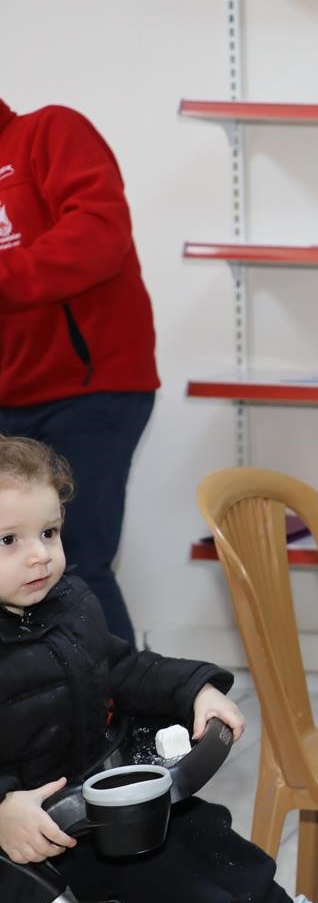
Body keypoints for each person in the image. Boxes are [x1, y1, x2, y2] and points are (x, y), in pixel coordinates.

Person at [0, 435, 318, 903]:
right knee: (169, 881)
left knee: (204, 831)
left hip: (99, 801)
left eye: (49, 533)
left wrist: (196, 690)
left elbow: (125, 668)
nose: (40, 557)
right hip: (42, 837)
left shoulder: (71, 604)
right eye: (9, 541)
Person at [0, 99, 159, 644]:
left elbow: (98, 237)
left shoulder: (48, 131)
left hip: (91, 389)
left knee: (74, 566)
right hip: (11, 395)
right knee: (16, 572)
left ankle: (132, 719)